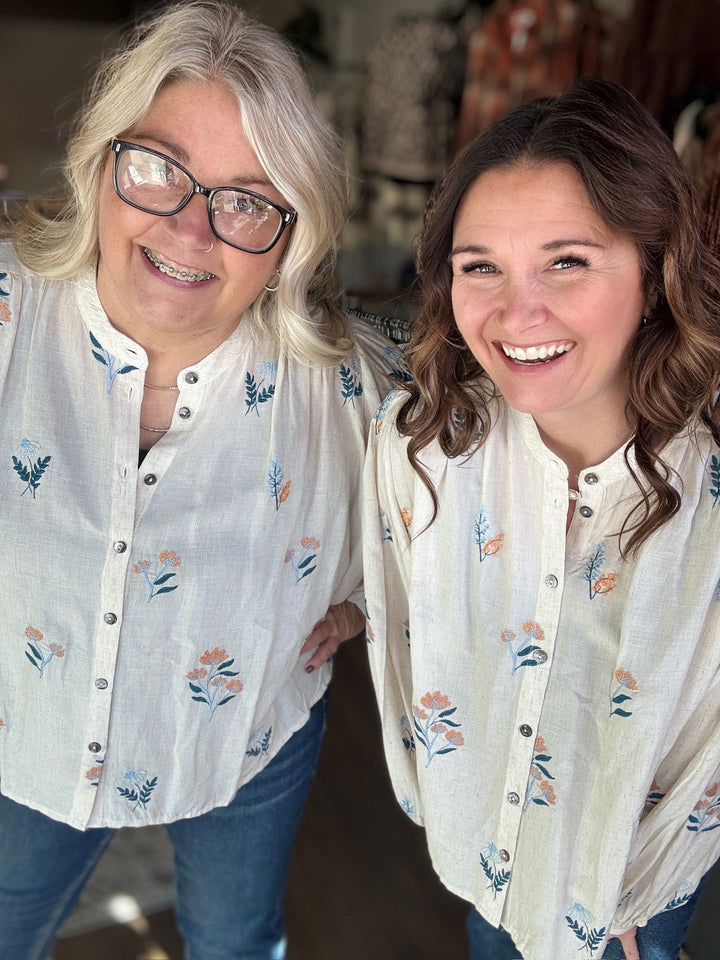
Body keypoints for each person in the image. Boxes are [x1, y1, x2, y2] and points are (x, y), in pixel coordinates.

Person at [0, 2, 405, 958]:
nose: (190, 228)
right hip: (28, 727)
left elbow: (481, 496)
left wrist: (373, 598)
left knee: (235, 941)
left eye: (247, 201)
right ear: (100, 160)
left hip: (246, 737)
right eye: (157, 166)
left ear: (292, 236)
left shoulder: (348, 383)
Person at [362, 76, 720, 960]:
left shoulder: (708, 484)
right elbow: (408, 636)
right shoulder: (425, 444)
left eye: (567, 261)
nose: (517, 314)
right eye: (480, 266)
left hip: (632, 901)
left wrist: (634, 891)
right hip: (478, 851)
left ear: (653, 270)